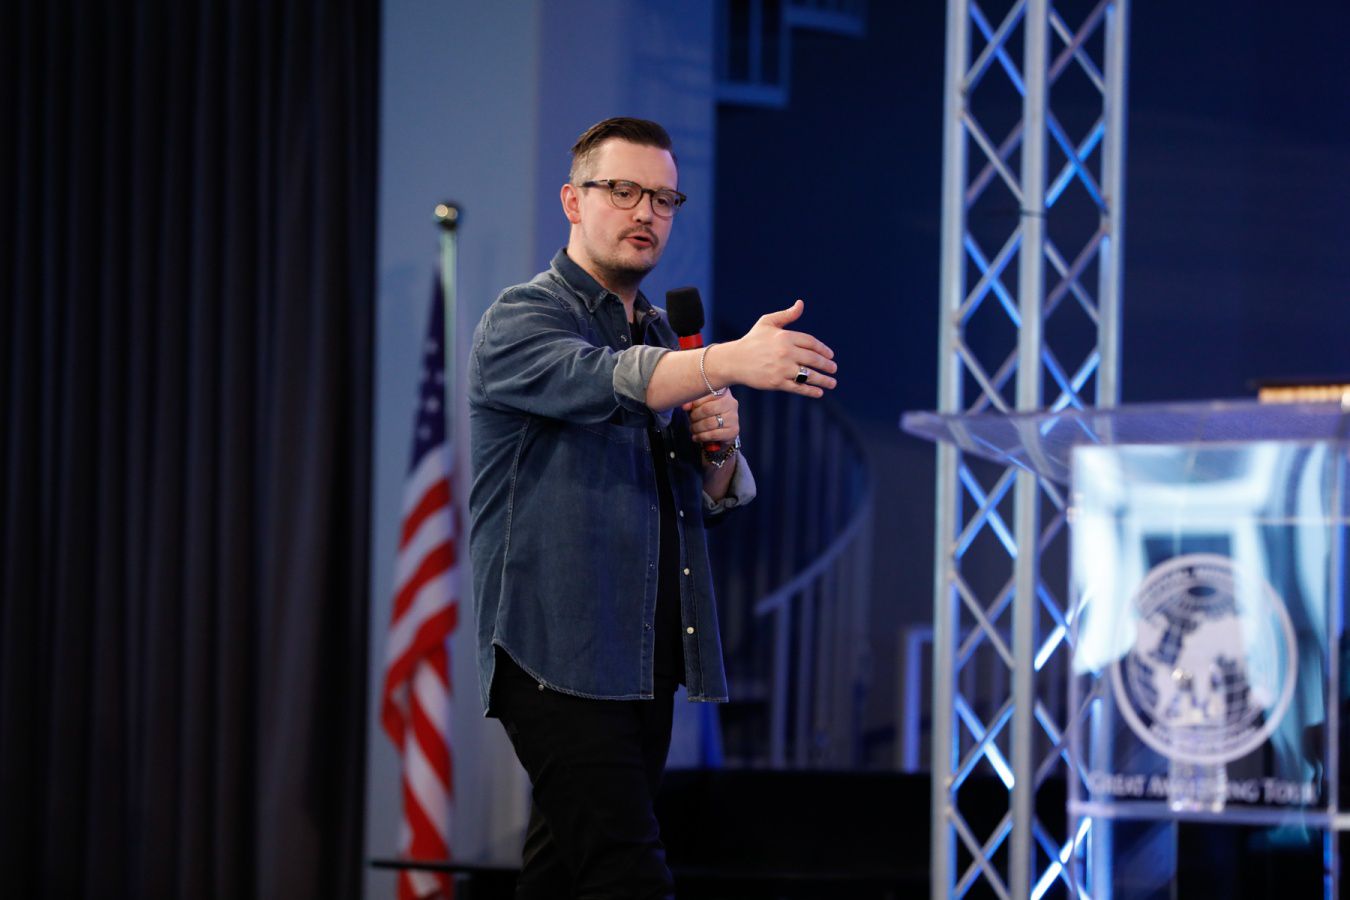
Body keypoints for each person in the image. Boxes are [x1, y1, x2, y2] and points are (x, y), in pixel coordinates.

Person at [468, 116, 838, 898]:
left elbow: (700, 500)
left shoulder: (665, 335)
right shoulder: (523, 318)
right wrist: (724, 361)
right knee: (628, 876)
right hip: (559, 656)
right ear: (573, 201)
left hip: (646, 659)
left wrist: (720, 449)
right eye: (623, 191)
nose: (646, 213)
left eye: (664, 198)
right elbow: (604, 380)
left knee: (564, 877)